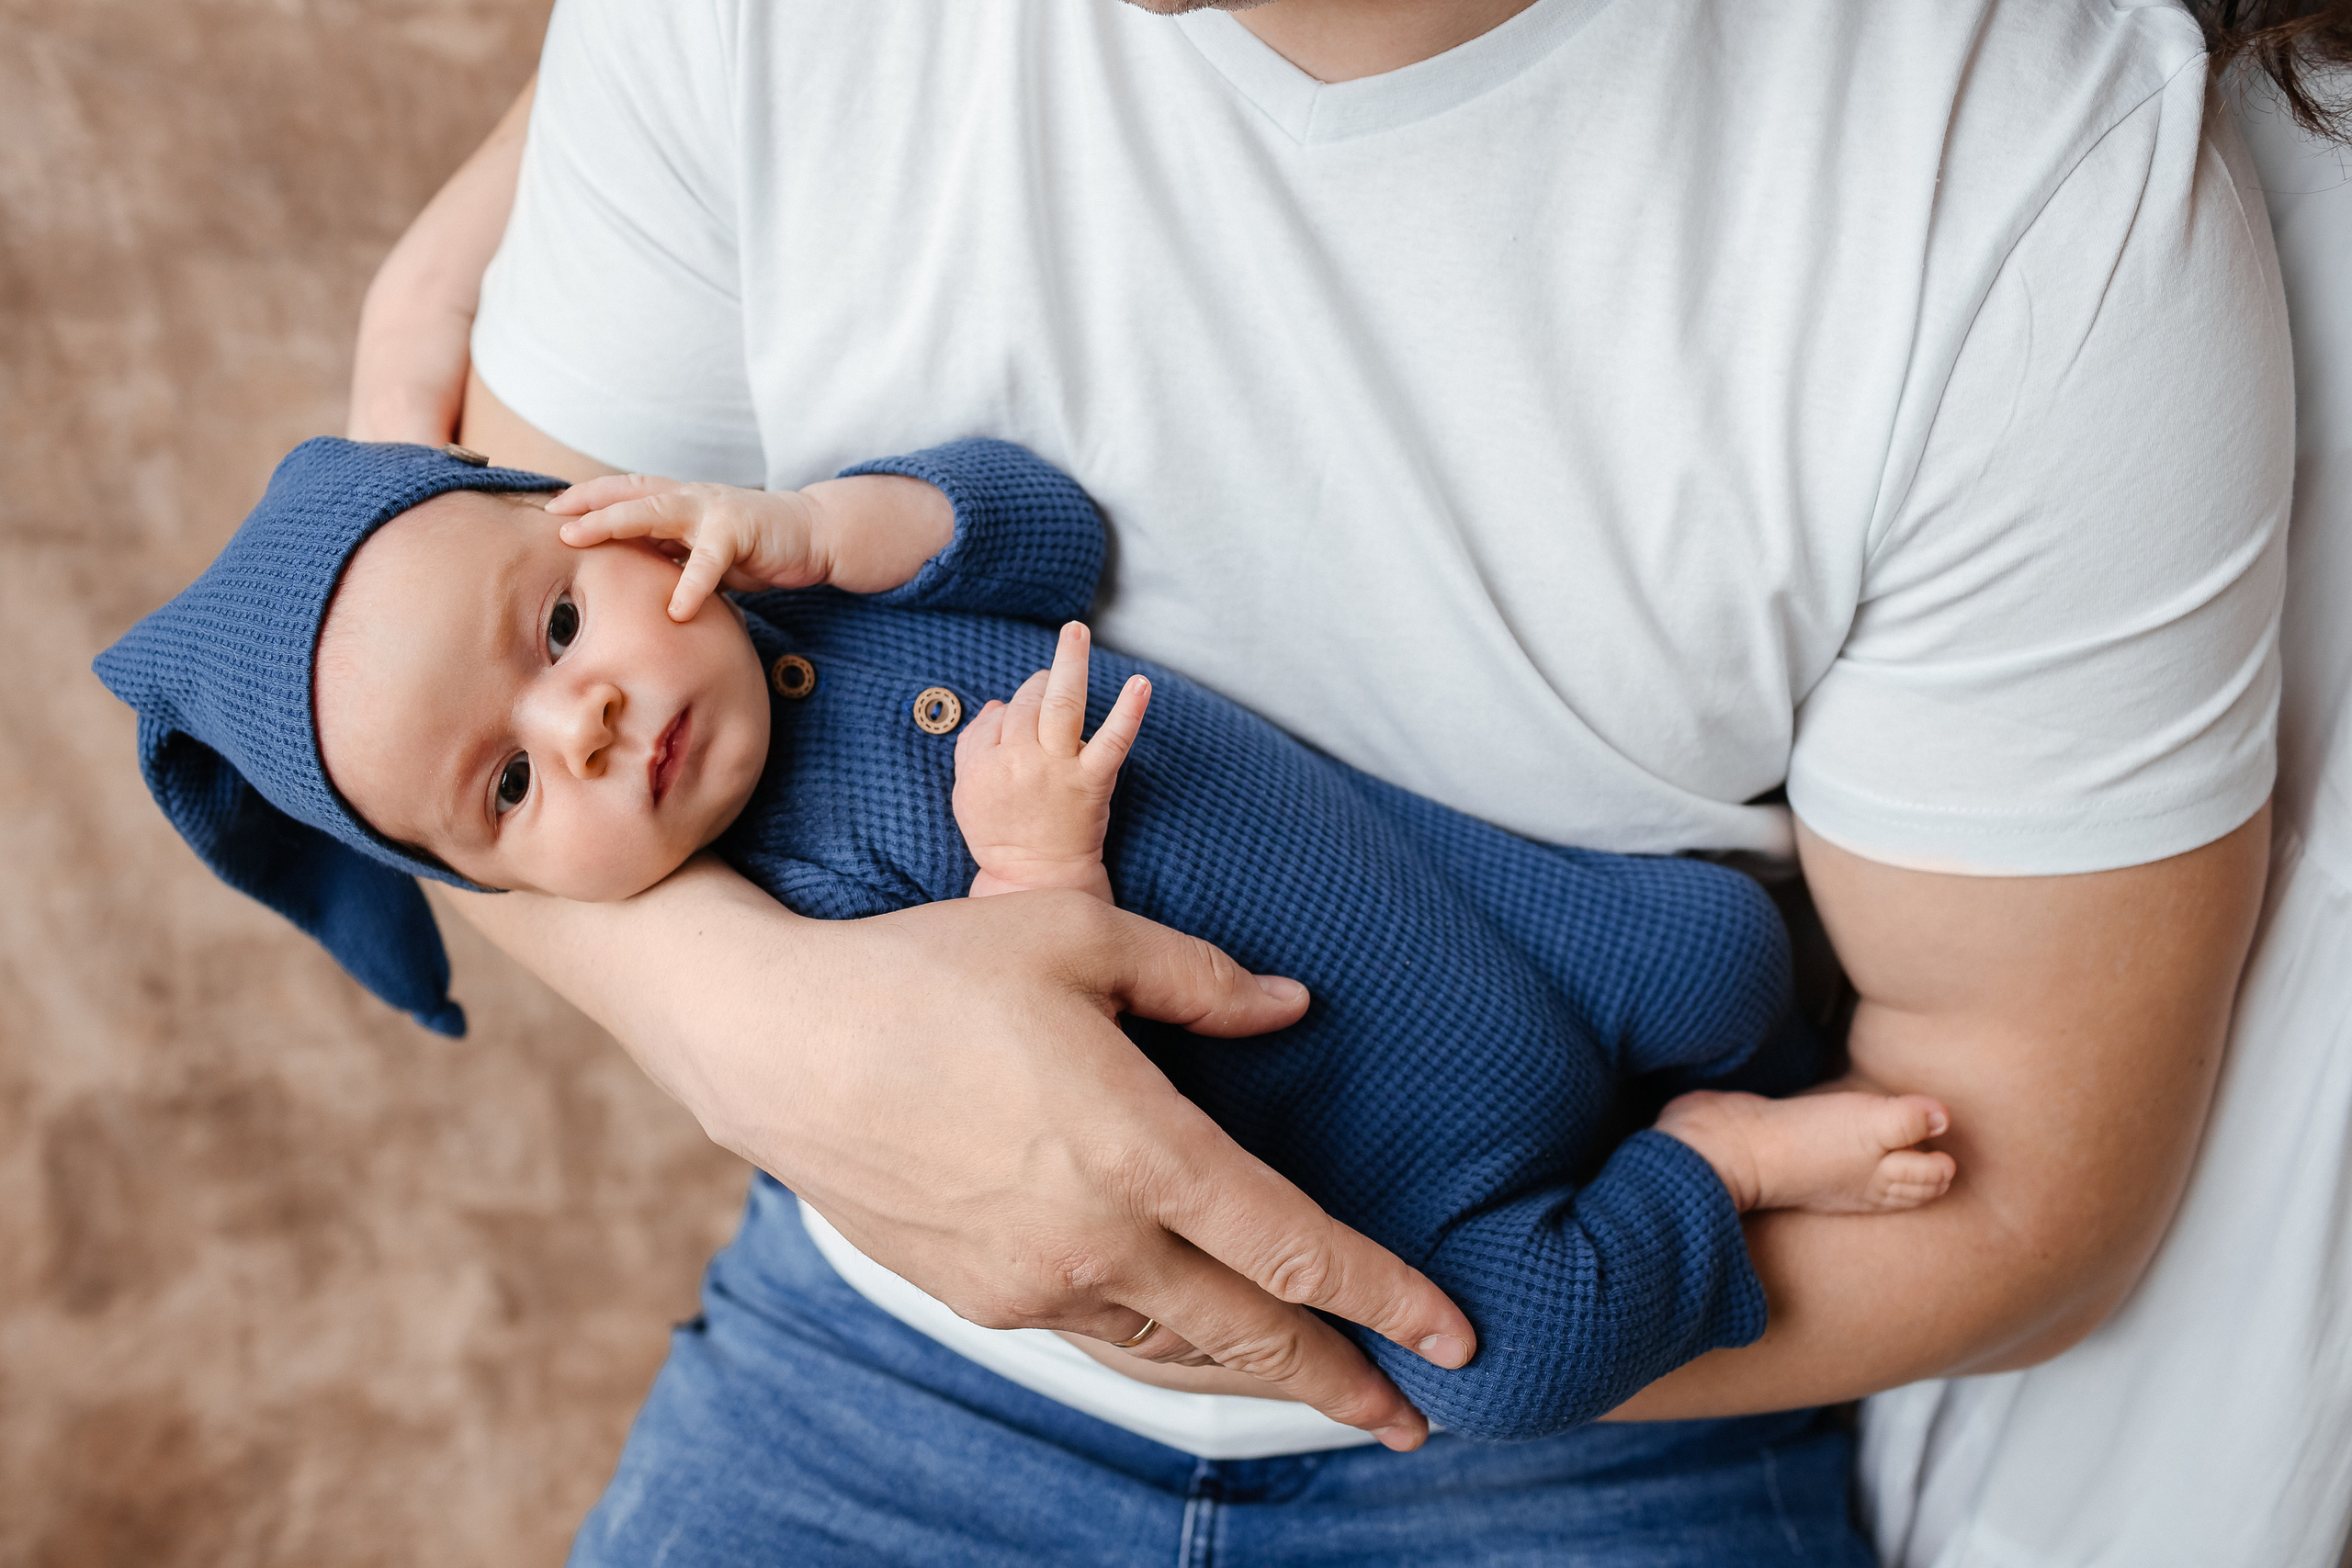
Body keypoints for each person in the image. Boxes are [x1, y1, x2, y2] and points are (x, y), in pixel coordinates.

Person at [341, 0, 2329, 1560]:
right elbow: (484, 753)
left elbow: (2021, 1177)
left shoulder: (2022, 183)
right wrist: (796, 1059)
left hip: (1590, 1415)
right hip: (895, 1328)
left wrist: (1414, 1328)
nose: (579, 709)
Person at [96, 433, 1961, 1444]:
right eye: (504, 792)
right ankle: (1696, 1174)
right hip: (1417, 1193)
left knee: (1722, 950)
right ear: (513, 904)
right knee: (1489, 1373)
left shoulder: (825, 592)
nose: (578, 721)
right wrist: (1034, 883)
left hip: (1489, 920)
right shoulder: (797, 926)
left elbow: (1043, 529)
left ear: (612, 518)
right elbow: (1033, 1101)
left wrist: (826, 515)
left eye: (561, 621)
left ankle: (1714, 1074)